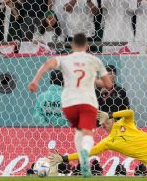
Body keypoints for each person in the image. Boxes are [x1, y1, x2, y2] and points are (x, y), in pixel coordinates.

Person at [28, 33, 113, 177]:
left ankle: (58, 166)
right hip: (82, 102)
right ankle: (82, 156)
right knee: (85, 134)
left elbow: (36, 115)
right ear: (87, 46)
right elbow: (108, 85)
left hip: (55, 125)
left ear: (73, 46)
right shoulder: (94, 61)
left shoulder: (43, 95)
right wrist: (96, 82)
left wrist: (35, 81)